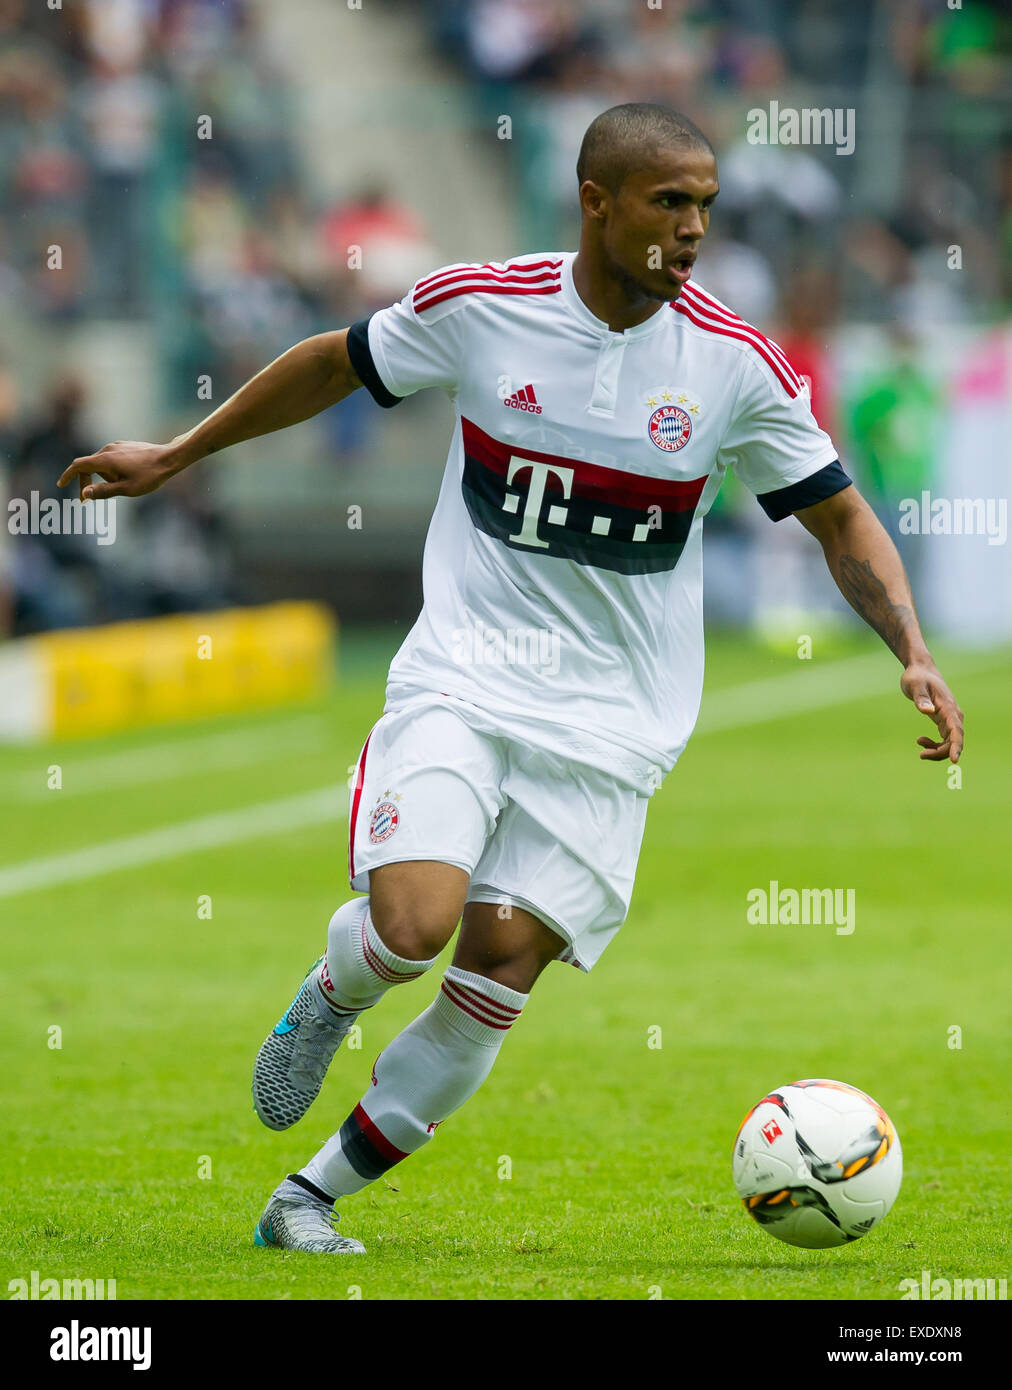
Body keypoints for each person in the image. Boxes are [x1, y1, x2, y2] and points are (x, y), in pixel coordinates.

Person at [57, 104, 964, 1256]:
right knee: (413, 925)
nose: (692, 229)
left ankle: (307, 1197)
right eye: (668, 202)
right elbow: (332, 363)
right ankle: (334, 992)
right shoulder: (481, 308)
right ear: (596, 200)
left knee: (497, 966)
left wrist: (914, 649)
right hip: (466, 680)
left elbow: (839, 517)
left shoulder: (733, 364)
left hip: (613, 730)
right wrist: (176, 453)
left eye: (705, 206)